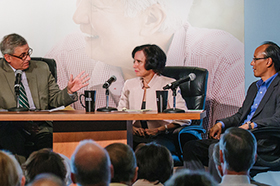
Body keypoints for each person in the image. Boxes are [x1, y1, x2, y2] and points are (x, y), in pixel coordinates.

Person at [45, 0, 245, 130]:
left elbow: (233, 154)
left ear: (151, 18)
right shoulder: (65, 56)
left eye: (95, 6)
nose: (77, 18)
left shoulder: (224, 59)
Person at [183, 41, 280, 173]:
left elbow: (278, 119)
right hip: (240, 138)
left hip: (262, 141)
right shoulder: (254, 87)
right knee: (191, 147)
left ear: (268, 62)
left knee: (215, 149)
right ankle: (200, 185)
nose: (252, 63)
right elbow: (241, 115)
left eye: (255, 59)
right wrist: (221, 124)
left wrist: (251, 125)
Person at [0, 33, 89, 158]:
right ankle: (19, 176)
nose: (28, 59)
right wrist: (22, 122)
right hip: (11, 127)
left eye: (28, 52)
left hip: (40, 126)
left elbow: (54, 100)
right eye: (22, 56)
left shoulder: (41, 68)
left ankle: (47, 176)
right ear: (8, 58)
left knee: (48, 152)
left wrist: (69, 91)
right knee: (12, 143)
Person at [117, 44, 191, 153]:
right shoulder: (129, 84)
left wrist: (160, 129)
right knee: (117, 149)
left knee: (144, 150)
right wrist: (132, 129)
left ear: (151, 63)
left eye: (139, 62)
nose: (134, 66)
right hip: (134, 136)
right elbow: (120, 113)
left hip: (162, 137)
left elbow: (184, 118)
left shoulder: (169, 84)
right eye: (134, 61)